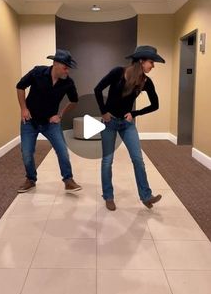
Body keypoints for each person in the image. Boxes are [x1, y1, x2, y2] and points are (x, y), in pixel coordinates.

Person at [94, 45, 165, 211]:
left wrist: (135, 113)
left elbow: (155, 105)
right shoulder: (118, 72)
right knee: (107, 161)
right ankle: (108, 196)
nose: (153, 66)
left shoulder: (146, 82)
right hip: (109, 123)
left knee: (138, 159)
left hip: (127, 124)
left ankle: (146, 196)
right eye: (151, 62)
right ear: (141, 61)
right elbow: (97, 89)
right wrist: (104, 112)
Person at [16, 49, 82, 193]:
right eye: (65, 68)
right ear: (56, 64)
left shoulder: (68, 83)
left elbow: (74, 101)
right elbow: (20, 86)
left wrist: (60, 115)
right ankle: (31, 179)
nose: (67, 71)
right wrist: (23, 109)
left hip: (50, 123)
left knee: (62, 151)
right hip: (30, 121)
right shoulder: (37, 72)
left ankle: (68, 180)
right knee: (27, 153)